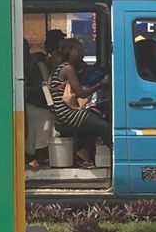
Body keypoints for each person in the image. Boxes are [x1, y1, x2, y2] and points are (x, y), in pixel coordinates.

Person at [49, 38, 111, 167]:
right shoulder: (68, 68)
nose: (82, 54)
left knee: (100, 115)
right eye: (80, 51)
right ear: (74, 52)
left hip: (64, 111)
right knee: (104, 126)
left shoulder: (61, 67)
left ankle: (84, 151)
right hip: (67, 113)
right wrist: (101, 84)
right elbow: (81, 93)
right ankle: (117, 155)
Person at [23, 38, 52, 167]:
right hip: (25, 103)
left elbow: (45, 86)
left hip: (34, 101)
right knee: (47, 116)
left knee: (47, 115)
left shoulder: (37, 64)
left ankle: (37, 149)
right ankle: (37, 150)